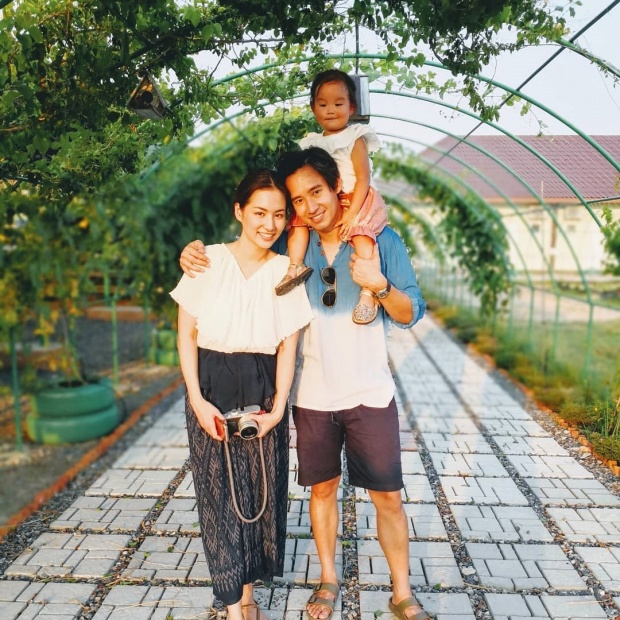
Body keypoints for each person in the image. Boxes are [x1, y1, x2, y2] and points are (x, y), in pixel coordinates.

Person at [180, 148, 429, 620]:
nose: (308, 206)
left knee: (388, 497)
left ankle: (402, 593)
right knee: (322, 492)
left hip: (370, 393)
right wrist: (193, 253)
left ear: (338, 186)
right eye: (297, 200)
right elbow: (242, 265)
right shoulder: (293, 253)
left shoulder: (381, 241)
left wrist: (378, 285)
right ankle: (328, 580)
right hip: (311, 398)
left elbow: (410, 312)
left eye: (316, 191)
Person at [170, 169, 313, 620]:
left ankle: (247, 595)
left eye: (277, 215)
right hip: (211, 383)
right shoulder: (207, 260)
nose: (268, 224)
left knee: (258, 497)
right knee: (218, 498)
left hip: (262, 385)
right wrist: (195, 397)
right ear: (239, 212)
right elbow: (186, 333)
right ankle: (235, 608)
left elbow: (289, 342)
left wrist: (279, 407)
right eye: (258, 213)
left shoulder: (284, 271)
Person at [275, 69, 389, 326]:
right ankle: (295, 266)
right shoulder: (312, 142)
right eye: (323, 104)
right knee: (299, 224)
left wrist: (350, 213)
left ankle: (369, 290)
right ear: (313, 109)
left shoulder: (354, 137)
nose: (330, 110)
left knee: (361, 234)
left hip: (356, 198)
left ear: (352, 107)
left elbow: (363, 178)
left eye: (338, 103)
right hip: (328, 199)